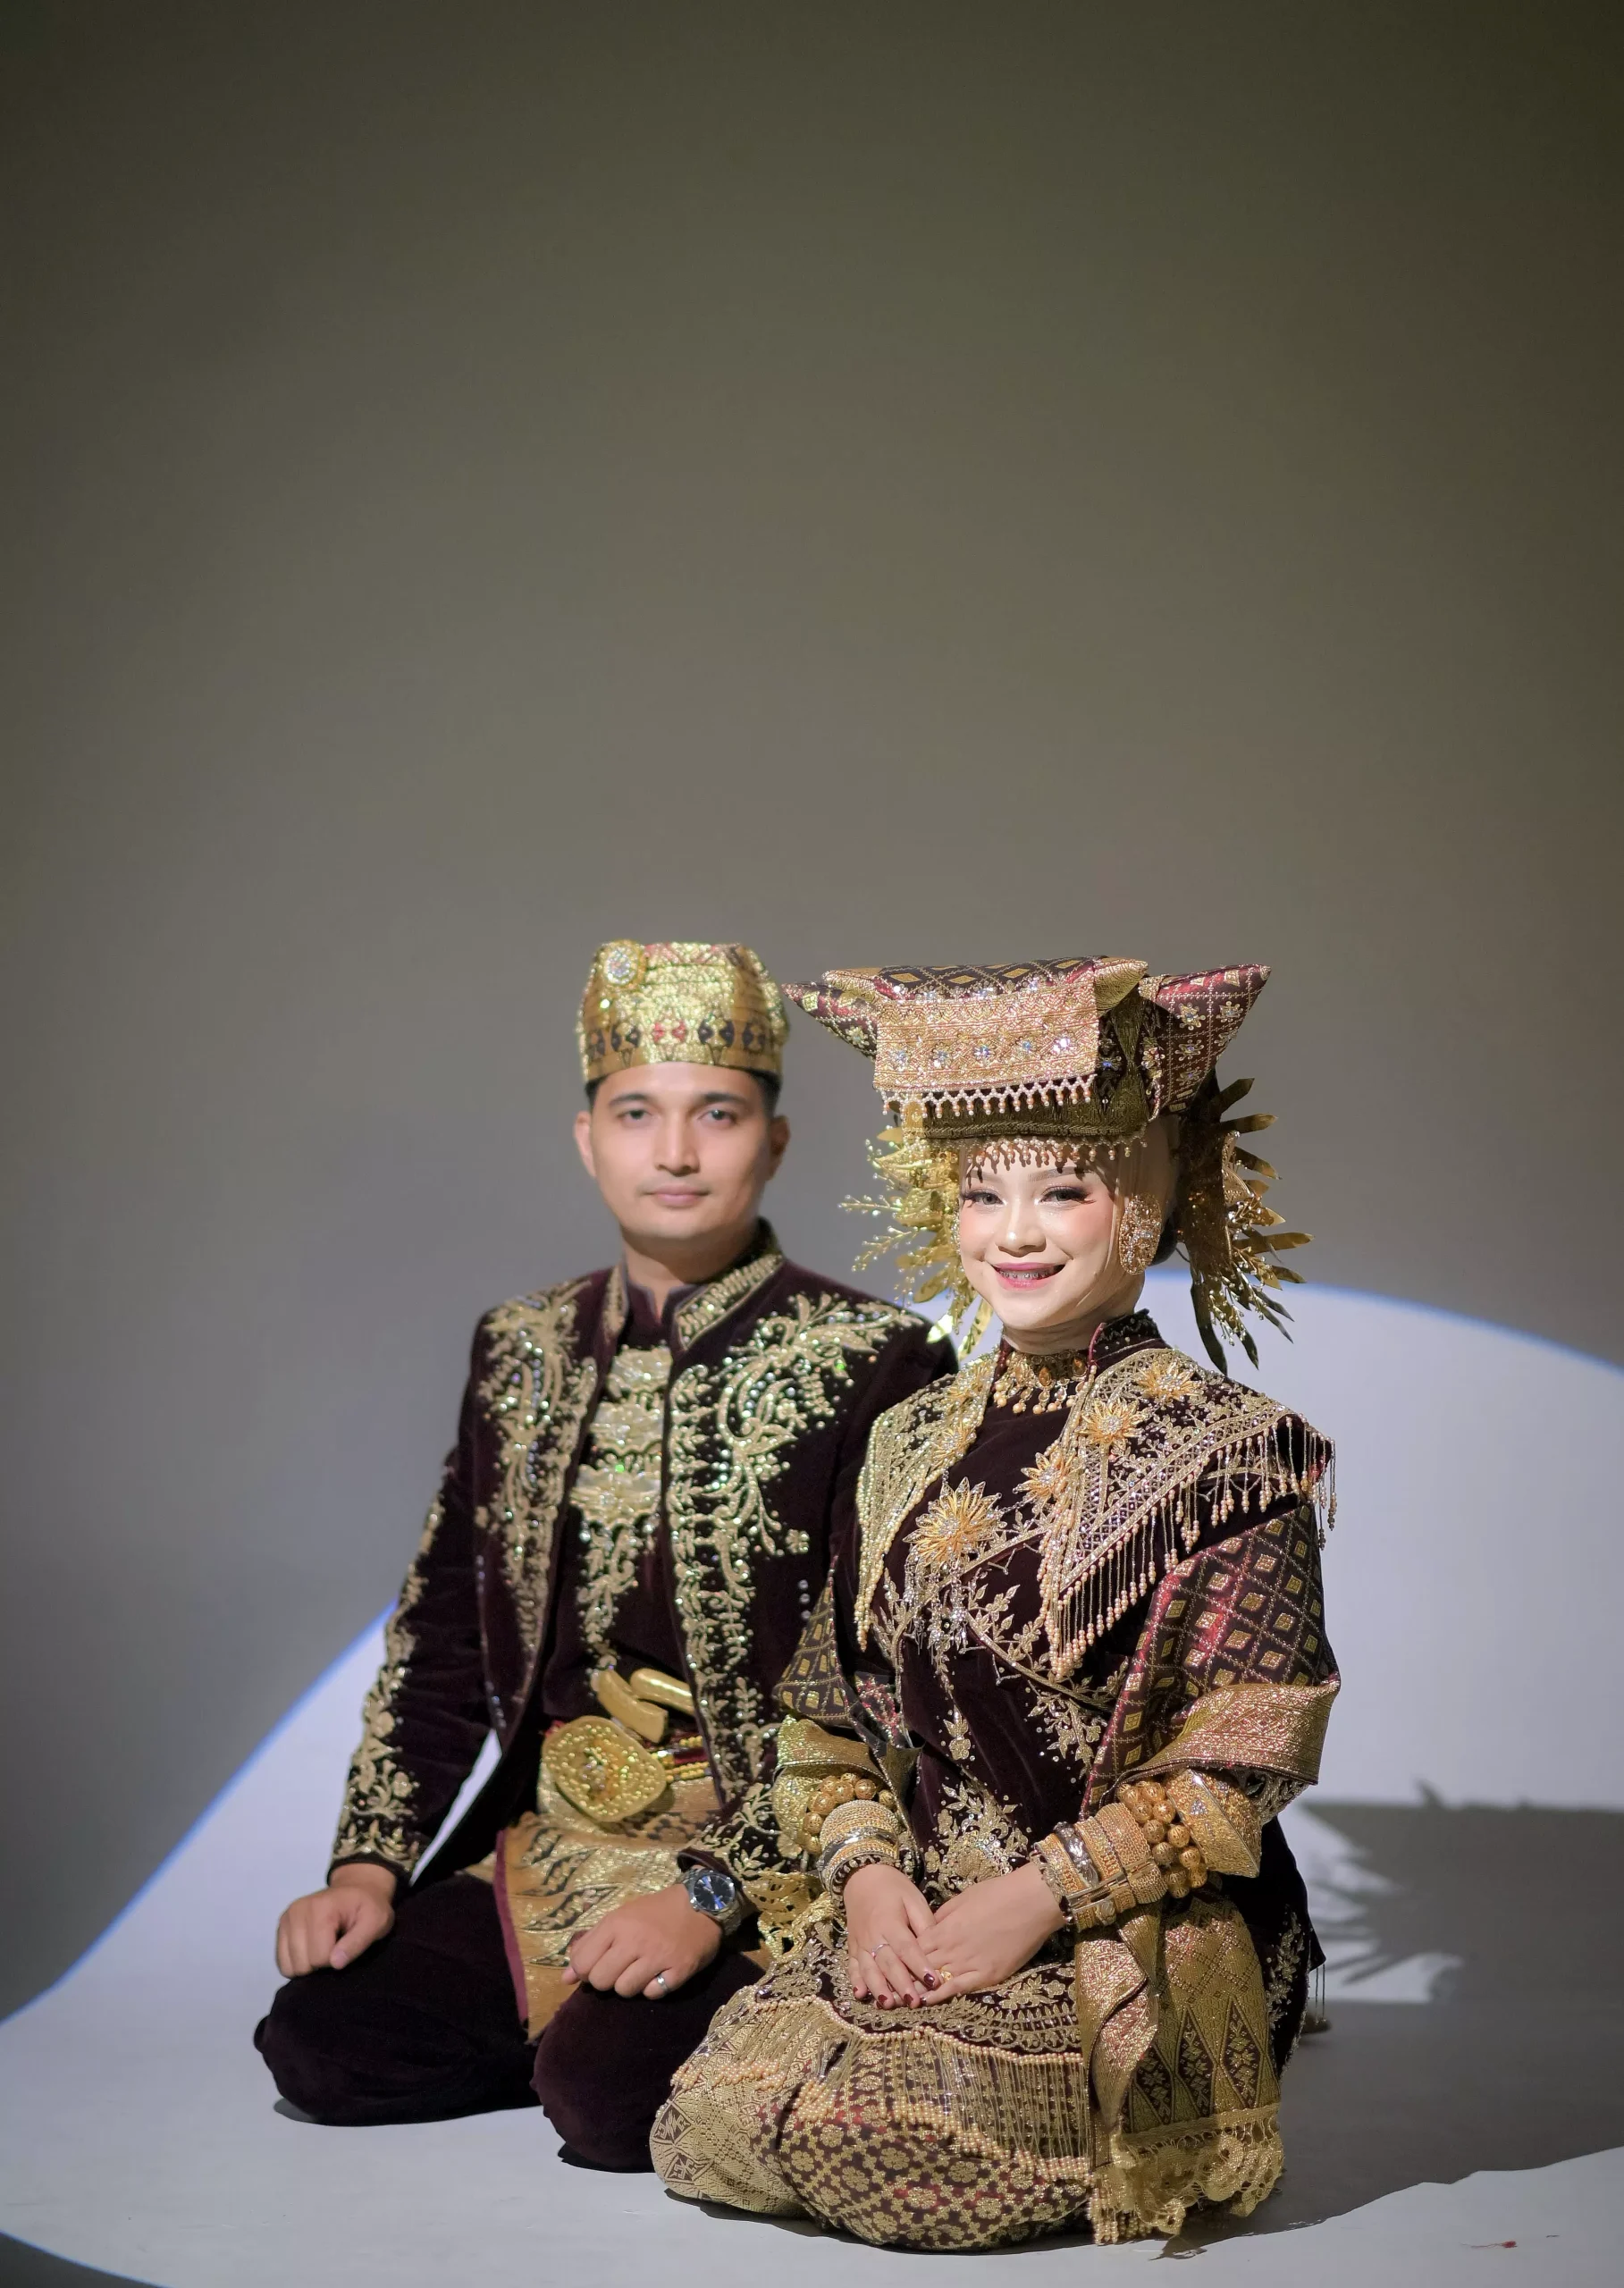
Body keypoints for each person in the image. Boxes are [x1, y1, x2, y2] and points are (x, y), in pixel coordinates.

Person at [652, 954, 1337, 2248]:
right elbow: (830, 1715)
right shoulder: (907, 1439)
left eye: (1063, 1189)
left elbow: (1242, 1762)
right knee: (718, 2120)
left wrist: (1033, 1902)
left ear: (1150, 1198)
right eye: (982, 1192)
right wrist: (867, 1880)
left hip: (1137, 1922)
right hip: (923, 1900)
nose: (1013, 1234)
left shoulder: (1234, 1453)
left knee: (897, 2144)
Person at [256, 940, 951, 2165]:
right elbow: (442, 1634)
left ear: (775, 1142)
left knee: (605, 2100)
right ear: (588, 1140)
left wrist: (714, 1896)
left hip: (768, 1850)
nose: (674, 1152)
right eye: (637, 1115)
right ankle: (582, 2016)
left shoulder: (874, 1358)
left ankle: (668, 2017)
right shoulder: (521, 1346)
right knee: (324, 2043)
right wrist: (369, 1865)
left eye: (717, 1114)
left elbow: (879, 1682)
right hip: (554, 1841)